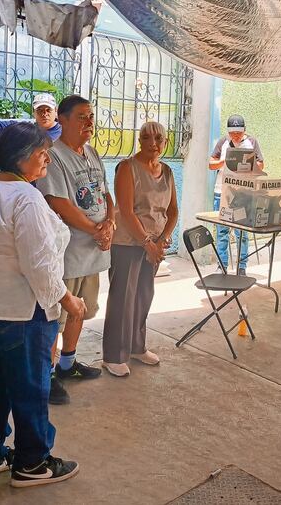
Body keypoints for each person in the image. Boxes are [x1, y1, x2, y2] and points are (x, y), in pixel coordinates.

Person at [0, 122, 84, 487]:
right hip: (18, 314)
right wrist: (68, 301)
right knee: (30, 389)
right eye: (43, 153)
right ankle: (32, 463)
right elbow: (39, 266)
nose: (47, 159)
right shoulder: (26, 198)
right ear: (23, 157)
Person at [35, 95, 112, 404]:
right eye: (81, 116)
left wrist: (110, 224)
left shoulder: (92, 153)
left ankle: (68, 363)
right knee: (57, 315)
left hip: (94, 252)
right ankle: (48, 374)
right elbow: (58, 202)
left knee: (82, 308)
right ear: (62, 120)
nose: (88, 122)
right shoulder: (53, 156)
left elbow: (106, 193)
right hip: (67, 252)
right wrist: (95, 229)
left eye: (90, 116)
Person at [102, 121, 178, 377]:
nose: (153, 144)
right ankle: (113, 355)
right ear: (140, 140)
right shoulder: (127, 168)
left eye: (159, 139)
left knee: (144, 296)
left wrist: (164, 238)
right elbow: (126, 210)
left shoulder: (166, 171)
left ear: (165, 143)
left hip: (154, 244)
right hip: (128, 242)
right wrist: (148, 243)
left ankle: (136, 347)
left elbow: (173, 211)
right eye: (147, 138)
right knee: (122, 298)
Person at [209, 115, 264, 275]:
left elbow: (261, 164)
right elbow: (211, 164)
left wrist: (248, 164)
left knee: (242, 232)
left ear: (244, 130)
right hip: (222, 192)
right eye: (232, 133)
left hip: (243, 193)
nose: (236, 136)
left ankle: (242, 267)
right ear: (228, 132)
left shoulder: (252, 142)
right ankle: (222, 265)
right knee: (222, 231)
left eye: (238, 133)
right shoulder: (223, 142)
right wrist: (224, 161)